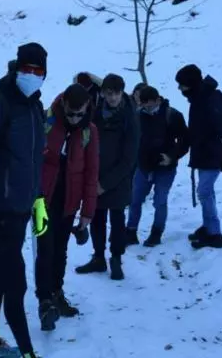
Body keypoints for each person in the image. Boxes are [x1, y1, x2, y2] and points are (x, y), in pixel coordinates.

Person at [0, 43, 76, 358]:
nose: (31, 76)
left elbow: (33, 160)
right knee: (15, 284)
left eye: (38, 71)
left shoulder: (33, 108)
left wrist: (38, 199)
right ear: (16, 69)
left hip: (20, 207)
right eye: (26, 69)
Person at [35, 83, 99, 330]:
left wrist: (88, 212)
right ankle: (44, 301)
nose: (74, 119)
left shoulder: (89, 131)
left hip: (69, 199)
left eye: (79, 114)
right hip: (42, 198)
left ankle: (56, 292)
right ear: (63, 105)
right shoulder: (48, 121)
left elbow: (91, 171)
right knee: (45, 248)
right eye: (71, 113)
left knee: (60, 249)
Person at [76, 73, 138, 280]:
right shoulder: (96, 113)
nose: (112, 98)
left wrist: (106, 183)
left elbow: (130, 158)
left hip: (118, 179)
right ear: (103, 93)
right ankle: (99, 257)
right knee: (97, 218)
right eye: (109, 93)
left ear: (122, 92)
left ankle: (116, 258)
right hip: (96, 174)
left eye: (116, 93)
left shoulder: (130, 117)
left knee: (117, 220)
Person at [175, 64, 222, 249]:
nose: (180, 89)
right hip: (205, 153)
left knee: (204, 192)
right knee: (206, 192)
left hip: (212, 154)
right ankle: (208, 226)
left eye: (182, 85)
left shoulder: (209, 99)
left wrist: (216, 150)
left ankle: (215, 234)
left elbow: (220, 129)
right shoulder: (200, 97)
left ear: (192, 83)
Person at [125, 86, 189, 247]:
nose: (146, 109)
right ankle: (130, 231)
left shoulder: (172, 115)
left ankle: (156, 233)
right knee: (135, 200)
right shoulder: (138, 115)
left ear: (158, 100)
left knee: (160, 201)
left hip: (165, 168)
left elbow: (185, 141)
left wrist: (171, 157)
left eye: (149, 105)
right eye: (143, 105)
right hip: (143, 167)